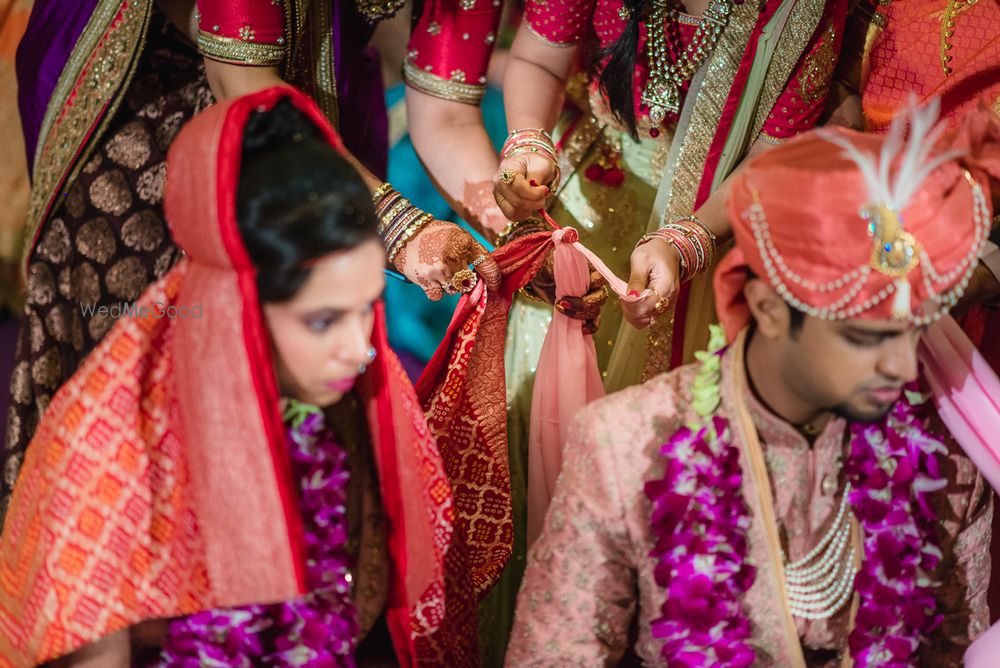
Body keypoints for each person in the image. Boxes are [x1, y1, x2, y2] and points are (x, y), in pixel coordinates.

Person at [506, 105, 998, 665]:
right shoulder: (627, 445)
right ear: (766, 307)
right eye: (865, 338)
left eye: (915, 331)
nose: (902, 365)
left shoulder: (943, 465)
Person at [0, 87, 452, 668]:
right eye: (322, 321)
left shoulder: (353, 410)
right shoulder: (111, 453)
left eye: (368, 310)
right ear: (235, 302)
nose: (358, 350)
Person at [2, 0, 501, 522]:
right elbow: (243, 82)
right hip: (152, 100)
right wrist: (401, 229)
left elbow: (447, 110)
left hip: (317, 95)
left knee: (291, 409)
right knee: (145, 415)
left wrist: (513, 229)